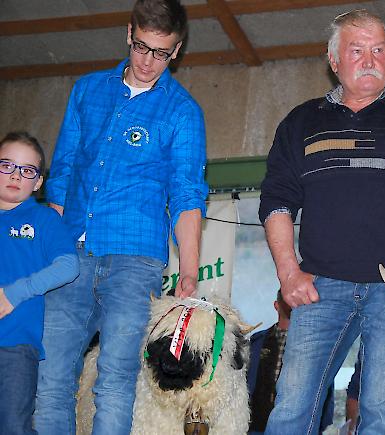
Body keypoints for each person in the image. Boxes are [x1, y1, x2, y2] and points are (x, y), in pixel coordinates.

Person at [258, 9, 385, 434]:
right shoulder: (300, 122)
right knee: (290, 409)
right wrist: (288, 272)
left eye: (379, 50)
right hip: (319, 289)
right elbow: (276, 201)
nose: (370, 59)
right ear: (334, 61)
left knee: (381, 415)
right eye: (357, 50)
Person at [33, 0, 209, 433]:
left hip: (135, 261)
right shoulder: (87, 90)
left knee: (115, 377)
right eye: (143, 48)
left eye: (162, 53)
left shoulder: (183, 112)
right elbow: (63, 174)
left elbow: (187, 194)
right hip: (69, 255)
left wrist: (189, 270)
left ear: (178, 49)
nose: (149, 62)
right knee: (51, 374)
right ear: (129, 34)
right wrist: (49, 247)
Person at [0, 132, 79, 435]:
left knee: (12, 427)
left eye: (27, 170)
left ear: (37, 183)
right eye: (7, 165)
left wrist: (15, 293)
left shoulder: (44, 220)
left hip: (15, 347)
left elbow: (68, 266)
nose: (16, 175)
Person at [246, 290, 334, 434]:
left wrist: (324, 425)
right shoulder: (257, 342)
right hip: (256, 426)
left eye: (296, 301)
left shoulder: (315, 345)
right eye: (287, 300)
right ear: (276, 305)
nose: (292, 305)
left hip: (300, 426)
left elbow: (326, 385)